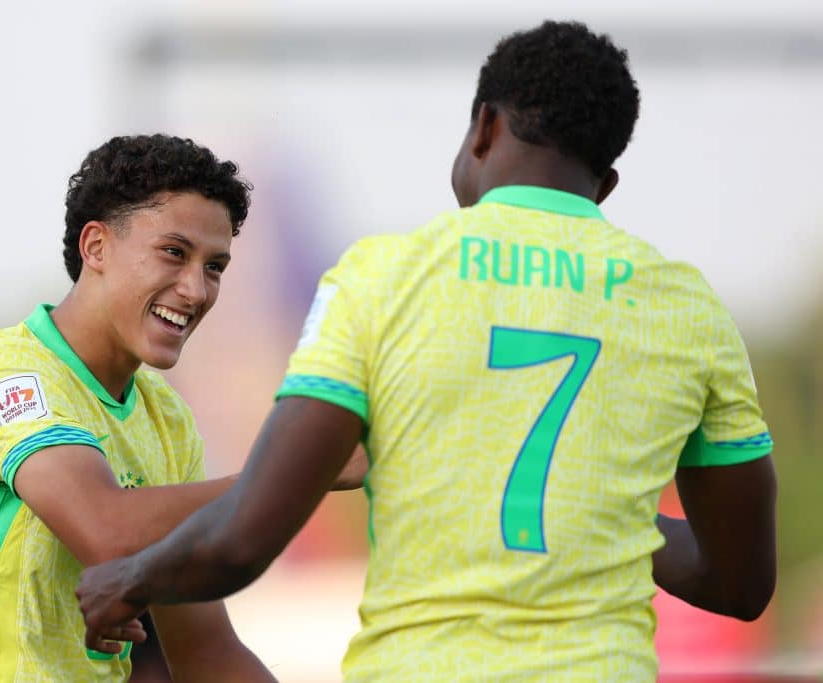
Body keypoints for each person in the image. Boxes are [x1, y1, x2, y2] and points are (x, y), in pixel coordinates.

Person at [76, 21, 777, 682]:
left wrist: (130, 579)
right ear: (606, 185)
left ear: (484, 129)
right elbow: (742, 583)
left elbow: (246, 537)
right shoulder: (688, 306)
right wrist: (599, 506)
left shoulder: (383, 276)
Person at [0, 134, 362, 682]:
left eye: (215, 267)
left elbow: (206, 652)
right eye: (174, 253)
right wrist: (304, 466)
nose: (196, 289)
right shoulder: (9, 374)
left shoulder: (166, 418)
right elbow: (105, 529)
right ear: (96, 248)